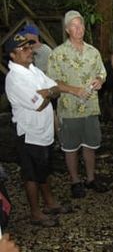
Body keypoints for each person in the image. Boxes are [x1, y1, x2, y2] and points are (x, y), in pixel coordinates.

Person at [5, 33, 74, 227]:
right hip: (29, 134)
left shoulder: (33, 70)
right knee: (31, 174)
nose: (30, 51)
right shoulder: (15, 78)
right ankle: (35, 213)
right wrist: (49, 92)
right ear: (12, 55)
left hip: (43, 131)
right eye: (24, 49)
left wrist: (48, 91)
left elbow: (54, 87)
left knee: (44, 169)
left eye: (30, 47)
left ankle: (50, 203)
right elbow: (40, 104)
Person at [47, 10, 108, 198]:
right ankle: (75, 181)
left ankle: (90, 179)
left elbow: (102, 72)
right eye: (73, 25)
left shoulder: (93, 51)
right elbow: (52, 82)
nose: (78, 28)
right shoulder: (58, 53)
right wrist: (74, 90)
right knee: (70, 147)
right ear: (67, 29)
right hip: (69, 108)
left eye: (80, 24)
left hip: (90, 108)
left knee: (90, 145)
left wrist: (99, 79)